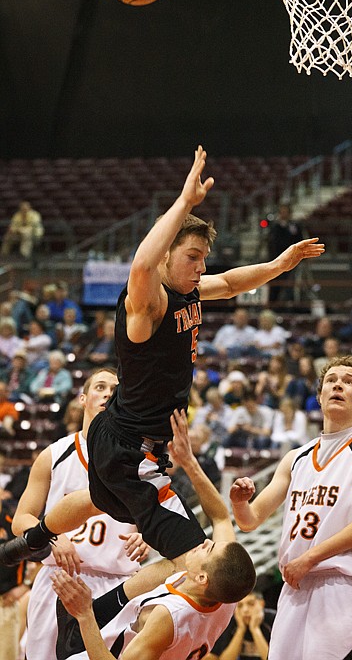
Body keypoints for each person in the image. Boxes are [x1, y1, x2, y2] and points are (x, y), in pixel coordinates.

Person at [0, 144, 324, 576]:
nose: (200, 266)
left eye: (203, 257)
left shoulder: (189, 289)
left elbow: (228, 283)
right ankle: (106, 606)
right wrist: (184, 202)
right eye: (192, 256)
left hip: (121, 434)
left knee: (96, 501)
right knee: (203, 563)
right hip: (132, 449)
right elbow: (140, 265)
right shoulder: (146, 303)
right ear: (166, 253)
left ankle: (30, 542)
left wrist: (279, 265)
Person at [50, 408, 256, 660]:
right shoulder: (225, 592)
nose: (205, 543)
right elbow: (221, 517)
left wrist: (85, 616)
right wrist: (189, 461)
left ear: (202, 578)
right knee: (171, 566)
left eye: (209, 549)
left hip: (91, 651)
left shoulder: (167, 617)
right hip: (112, 629)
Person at [230, 355, 352, 660]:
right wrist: (239, 502)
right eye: (331, 380)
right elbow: (251, 520)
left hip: (342, 584)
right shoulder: (296, 457)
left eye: (349, 381)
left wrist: (310, 558)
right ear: (319, 397)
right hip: (295, 584)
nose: (338, 385)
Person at [10, 368, 150, 660]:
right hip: (58, 578)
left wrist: (146, 536)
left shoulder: (142, 461)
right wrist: (49, 537)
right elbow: (21, 518)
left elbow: (156, 520)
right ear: (83, 398)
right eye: (100, 387)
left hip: (117, 583)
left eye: (115, 390)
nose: (108, 393)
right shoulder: (53, 454)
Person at [205, 590, 276, 660]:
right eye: (240, 606)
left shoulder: (274, 619)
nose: (245, 610)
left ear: (261, 604)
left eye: (251, 604)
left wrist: (255, 629)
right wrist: (241, 629)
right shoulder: (229, 621)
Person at [0, 498, 29, 660]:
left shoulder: (12, 524)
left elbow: (39, 558)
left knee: (6, 655)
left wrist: (25, 585)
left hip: (5, 600)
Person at [267, 203, 304, 303]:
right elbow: (271, 243)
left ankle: (289, 304)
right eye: (282, 212)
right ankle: (273, 303)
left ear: (289, 213)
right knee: (275, 283)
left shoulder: (295, 226)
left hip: (292, 260)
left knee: (289, 285)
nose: (284, 214)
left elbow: (299, 241)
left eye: (286, 212)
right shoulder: (275, 227)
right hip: (276, 259)